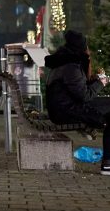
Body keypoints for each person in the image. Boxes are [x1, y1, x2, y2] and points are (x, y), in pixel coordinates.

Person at [44, 30, 110, 175]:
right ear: (81, 48)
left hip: (66, 108)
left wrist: (93, 81)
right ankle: (107, 163)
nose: (88, 51)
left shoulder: (65, 62)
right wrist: (101, 82)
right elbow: (85, 95)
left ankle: (108, 163)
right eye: (86, 47)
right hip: (66, 111)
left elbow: (77, 88)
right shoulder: (71, 66)